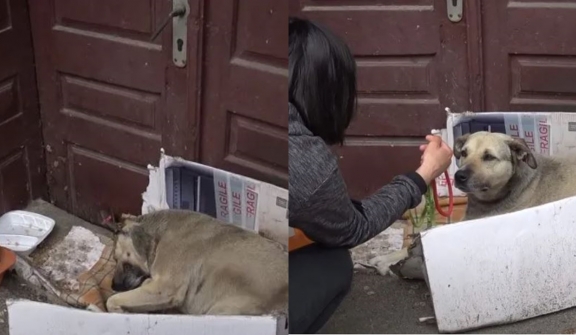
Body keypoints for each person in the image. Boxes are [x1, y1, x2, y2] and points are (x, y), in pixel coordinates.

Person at [288, 17, 453, 334]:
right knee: (333, 264)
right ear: (325, 88)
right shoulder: (306, 159)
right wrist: (424, 174)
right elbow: (351, 227)